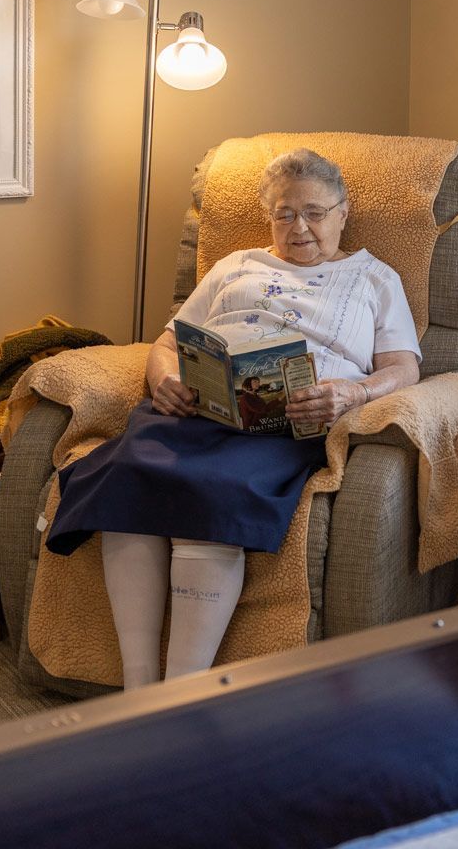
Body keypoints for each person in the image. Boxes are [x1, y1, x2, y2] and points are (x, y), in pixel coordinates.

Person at [45, 149, 421, 688]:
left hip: (288, 422)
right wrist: (164, 380)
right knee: (128, 477)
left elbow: (403, 366)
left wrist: (352, 393)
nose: (300, 227)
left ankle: (181, 693)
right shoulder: (235, 266)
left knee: (218, 491)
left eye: (315, 212)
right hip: (197, 410)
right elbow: (169, 340)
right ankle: (136, 688)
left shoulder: (374, 279)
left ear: (343, 212)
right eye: (285, 213)